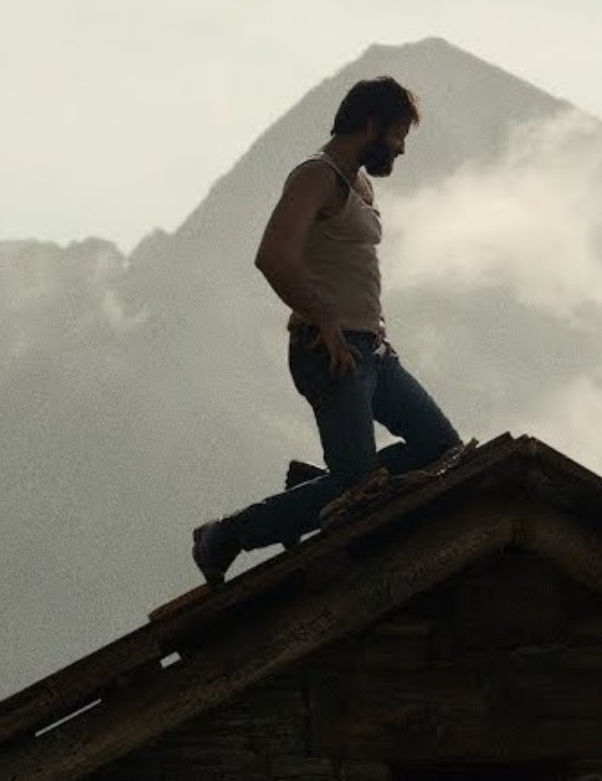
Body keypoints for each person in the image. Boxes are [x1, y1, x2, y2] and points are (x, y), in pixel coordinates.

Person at [190, 76, 463, 585]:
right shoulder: (315, 177)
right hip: (330, 351)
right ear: (371, 125)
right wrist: (326, 320)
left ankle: (320, 486)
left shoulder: (358, 183)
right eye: (398, 134)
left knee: (441, 451)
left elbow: (348, 266)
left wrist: (375, 329)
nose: (401, 148)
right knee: (358, 494)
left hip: (371, 352)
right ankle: (225, 535)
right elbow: (274, 258)